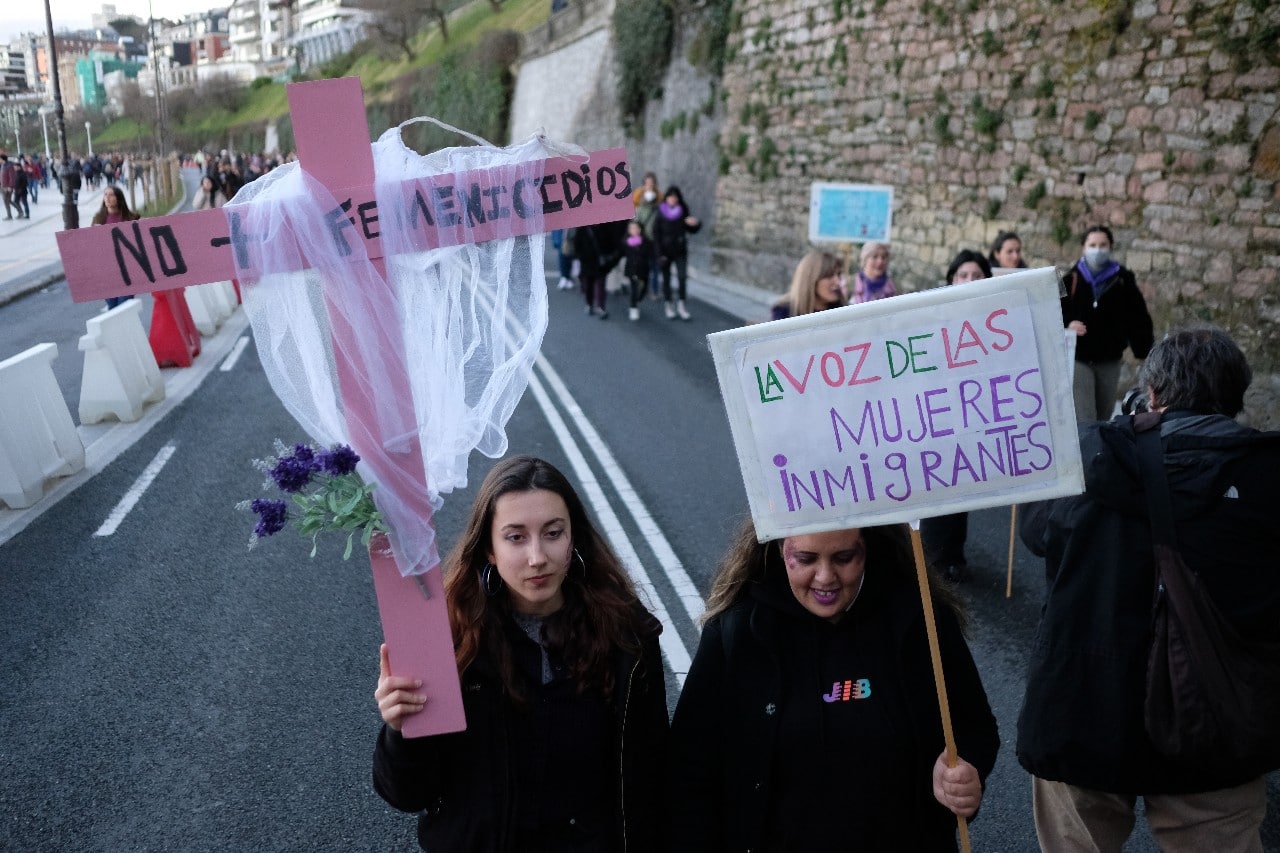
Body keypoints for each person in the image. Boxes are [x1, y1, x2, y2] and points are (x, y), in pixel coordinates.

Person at [1017, 325, 1280, 852]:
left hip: (1083, 706)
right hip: (1216, 720)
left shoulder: (1091, 455)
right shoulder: (1266, 475)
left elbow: (1036, 531)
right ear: (1234, 400)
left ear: (1152, 393)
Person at [373, 455, 668, 852]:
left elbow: (654, 773)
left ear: (573, 538)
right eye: (515, 537)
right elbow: (408, 794)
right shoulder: (449, 640)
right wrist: (400, 730)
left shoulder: (627, 638)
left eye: (552, 533)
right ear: (489, 549)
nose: (537, 557)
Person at [668, 520, 1000, 851]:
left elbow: (974, 726)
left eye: (843, 558)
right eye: (807, 558)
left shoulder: (921, 620)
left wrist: (966, 769)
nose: (825, 577)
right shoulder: (738, 633)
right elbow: (692, 764)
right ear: (779, 549)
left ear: (867, 549)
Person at [920, 250, 993, 584]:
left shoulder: (994, 317)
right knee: (939, 484)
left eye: (977, 275)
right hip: (939, 412)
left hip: (972, 411)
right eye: (963, 274)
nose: (969, 281)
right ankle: (932, 558)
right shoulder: (932, 313)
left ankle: (953, 554)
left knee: (963, 485)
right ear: (951, 278)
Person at [1062, 225, 1155, 422]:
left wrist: (1144, 349)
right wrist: (1068, 325)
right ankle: (1089, 451)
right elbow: (1054, 310)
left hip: (1109, 358)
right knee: (1085, 416)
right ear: (1084, 248)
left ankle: (1100, 450)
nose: (1098, 250)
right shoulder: (1070, 279)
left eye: (1103, 245)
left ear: (1110, 247)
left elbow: (1137, 315)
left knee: (1104, 415)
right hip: (1079, 358)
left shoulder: (1123, 280)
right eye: (1093, 245)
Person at [652, 185, 701, 320]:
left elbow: (691, 229)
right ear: (666, 198)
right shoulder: (660, 212)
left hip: (680, 250)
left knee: (682, 277)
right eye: (670, 196)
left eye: (675, 197)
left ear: (678, 198)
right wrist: (659, 253)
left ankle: (681, 305)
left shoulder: (683, 211)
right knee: (666, 279)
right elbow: (656, 234)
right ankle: (668, 305)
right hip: (665, 251)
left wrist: (695, 224)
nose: (673, 199)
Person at [92, 187, 141, 309]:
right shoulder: (99, 219)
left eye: (111, 195)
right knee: (113, 309)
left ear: (118, 198)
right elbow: (92, 246)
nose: (107, 198)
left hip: (128, 273)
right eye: (105, 195)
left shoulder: (130, 218)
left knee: (123, 308)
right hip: (108, 274)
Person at [770, 250, 846, 320]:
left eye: (839, 275)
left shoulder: (845, 312)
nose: (838, 282)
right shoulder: (784, 313)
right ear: (811, 279)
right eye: (829, 276)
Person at [631, 172, 661, 300]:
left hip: (655, 239)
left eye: (651, 182)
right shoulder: (639, 195)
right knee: (644, 265)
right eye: (647, 182)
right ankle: (644, 288)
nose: (649, 185)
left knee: (655, 266)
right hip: (643, 239)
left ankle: (653, 290)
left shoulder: (659, 198)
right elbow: (634, 208)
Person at [622, 219, 653, 321]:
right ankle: (633, 308)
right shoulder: (626, 241)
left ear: (640, 229)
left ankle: (638, 299)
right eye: (631, 228)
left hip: (644, 268)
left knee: (643, 288)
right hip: (632, 269)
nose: (634, 230)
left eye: (636, 228)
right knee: (634, 288)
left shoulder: (646, 241)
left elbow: (652, 252)